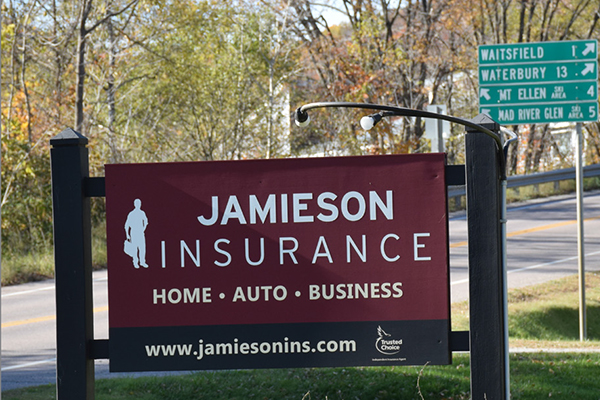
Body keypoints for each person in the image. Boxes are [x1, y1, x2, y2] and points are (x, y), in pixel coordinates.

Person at [124, 198, 148, 268]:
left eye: (139, 204)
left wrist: (143, 229)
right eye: (137, 204)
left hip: (140, 233)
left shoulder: (142, 213)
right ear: (135, 205)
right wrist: (127, 235)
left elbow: (146, 221)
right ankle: (135, 262)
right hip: (134, 233)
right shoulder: (131, 214)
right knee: (134, 248)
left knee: (142, 248)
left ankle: (142, 262)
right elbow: (126, 225)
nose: (138, 205)